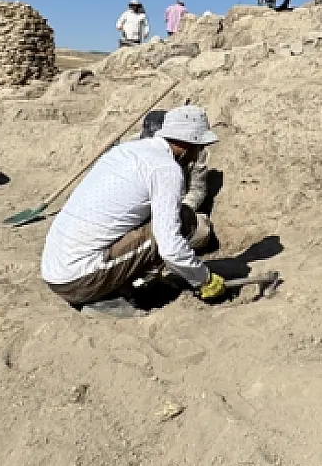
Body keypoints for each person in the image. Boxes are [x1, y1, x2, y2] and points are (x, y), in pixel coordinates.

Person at [40, 105, 226, 316]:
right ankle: (107, 297)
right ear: (188, 145)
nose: (197, 155)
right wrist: (203, 279)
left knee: (159, 221)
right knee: (183, 220)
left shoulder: (126, 150)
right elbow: (170, 247)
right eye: (198, 148)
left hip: (55, 268)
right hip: (78, 280)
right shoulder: (165, 169)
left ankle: (125, 284)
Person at [139, 107, 209, 214]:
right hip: (141, 208)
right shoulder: (131, 148)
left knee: (202, 228)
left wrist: (183, 211)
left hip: (176, 205)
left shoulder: (194, 151)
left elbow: (197, 189)